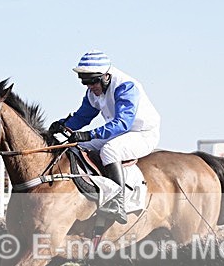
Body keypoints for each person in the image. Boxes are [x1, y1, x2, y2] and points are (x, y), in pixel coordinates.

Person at [48, 50, 161, 224]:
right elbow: (82, 117)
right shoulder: (92, 92)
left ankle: (117, 202)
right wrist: (64, 125)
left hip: (142, 133)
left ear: (106, 76)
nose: (89, 86)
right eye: (85, 81)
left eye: (93, 81)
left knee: (110, 151)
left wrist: (90, 134)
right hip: (118, 133)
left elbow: (123, 123)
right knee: (76, 146)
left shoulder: (125, 87)